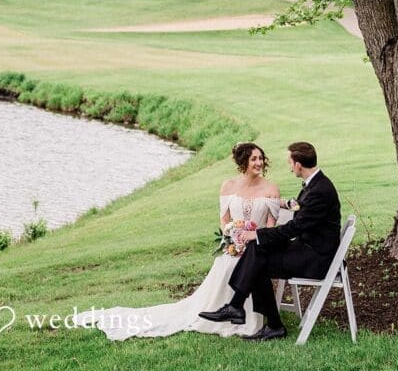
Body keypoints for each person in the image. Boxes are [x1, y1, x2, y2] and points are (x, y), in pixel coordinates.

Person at [74, 142, 280, 340]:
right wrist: (233, 237)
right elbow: (225, 221)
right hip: (235, 245)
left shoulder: (271, 189)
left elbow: (270, 229)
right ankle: (222, 311)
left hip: (258, 250)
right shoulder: (228, 186)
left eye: (261, 158)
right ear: (243, 162)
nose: (259, 163)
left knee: (243, 264)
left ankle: (237, 313)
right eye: (254, 159)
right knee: (225, 262)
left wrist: (252, 242)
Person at [199, 141, 341, 341]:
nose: (289, 166)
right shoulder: (316, 184)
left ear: (298, 164)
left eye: (290, 162)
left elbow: (294, 227)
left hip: (315, 259)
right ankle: (237, 308)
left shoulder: (319, 190)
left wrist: (256, 234)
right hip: (307, 248)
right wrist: (282, 206)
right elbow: (301, 213)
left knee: (259, 260)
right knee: (258, 251)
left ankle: (262, 320)